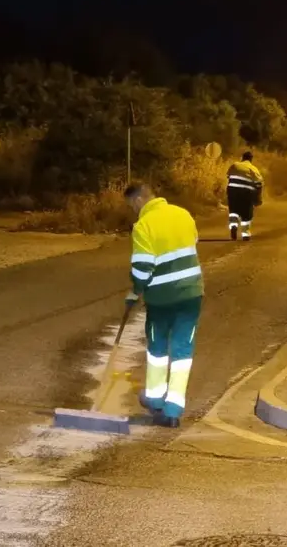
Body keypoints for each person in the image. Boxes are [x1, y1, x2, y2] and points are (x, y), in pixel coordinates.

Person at [124, 183, 204, 428]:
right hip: (191, 295)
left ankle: (156, 400)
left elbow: (142, 268)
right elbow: (192, 243)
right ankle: (172, 410)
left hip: (161, 300)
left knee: (158, 349)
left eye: (131, 206)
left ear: (138, 201)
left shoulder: (143, 226)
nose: (133, 211)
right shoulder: (183, 214)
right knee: (182, 352)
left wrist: (135, 292)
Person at [225, 151, 264, 241]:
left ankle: (233, 226)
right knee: (246, 213)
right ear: (251, 159)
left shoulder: (234, 165)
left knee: (233, 211)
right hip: (246, 193)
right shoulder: (253, 169)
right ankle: (245, 234)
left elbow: (228, 176)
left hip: (232, 191)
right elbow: (259, 184)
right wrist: (258, 198)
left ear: (242, 158)